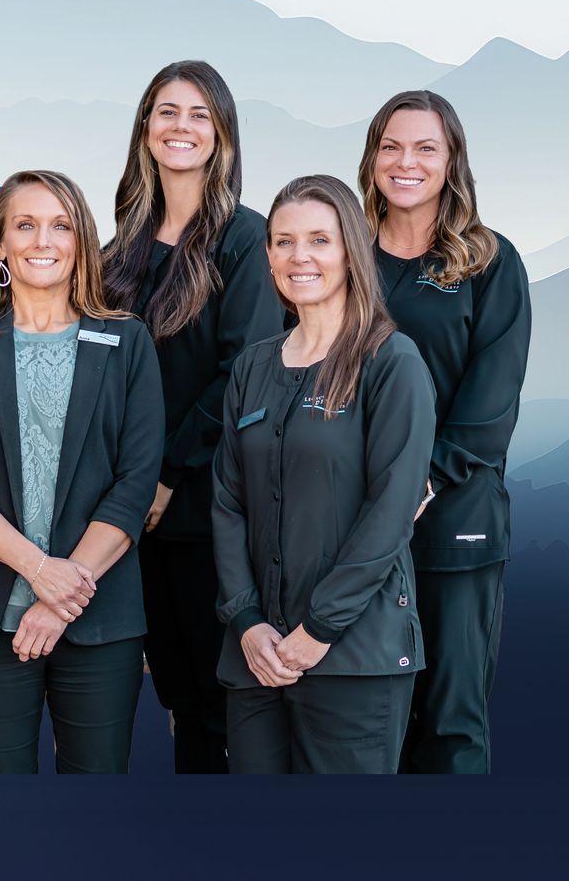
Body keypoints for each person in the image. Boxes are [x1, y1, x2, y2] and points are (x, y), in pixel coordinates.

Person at [0, 170, 163, 773]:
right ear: (0, 243)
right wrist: (37, 571)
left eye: (60, 225)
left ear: (81, 239)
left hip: (98, 618)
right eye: (24, 225)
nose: (42, 240)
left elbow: (135, 486)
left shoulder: (128, 342)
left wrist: (61, 595)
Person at [212, 175, 437, 774]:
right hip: (256, 660)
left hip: (353, 660)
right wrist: (246, 620)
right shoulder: (252, 367)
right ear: (268, 255)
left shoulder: (391, 363)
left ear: (351, 252)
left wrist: (317, 629)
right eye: (283, 242)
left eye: (319, 240)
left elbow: (393, 509)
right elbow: (228, 502)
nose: (299, 256)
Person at [101, 60, 283, 773]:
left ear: (223, 135)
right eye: (167, 111)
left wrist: (170, 473)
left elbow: (245, 372)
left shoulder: (244, 239)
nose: (181, 126)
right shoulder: (122, 246)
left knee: (215, 699)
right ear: (145, 127)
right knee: (173, 690)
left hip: (204, 507)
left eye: (199, 113)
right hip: (127, 511)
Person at [359, 90, 532, 774]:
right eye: (392, 146)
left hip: (452, 527)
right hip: (355, 529)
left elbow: (489, 410)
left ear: (452, 160)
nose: (407, 162)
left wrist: (414, 482)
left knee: (451, 726)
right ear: (372, 157)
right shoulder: (344, 258)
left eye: (426, 147)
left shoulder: (490, 263)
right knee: (372, 723)